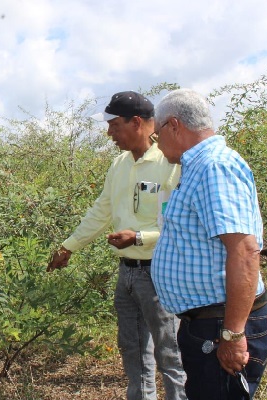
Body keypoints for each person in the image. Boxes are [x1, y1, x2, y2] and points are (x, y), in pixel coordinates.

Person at [47, 91, 187, 400]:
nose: (109, 133)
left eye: (114, 126)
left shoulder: (170, 162)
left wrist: (138, 238)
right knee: (134, 351)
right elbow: (102, 210)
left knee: (171, 354)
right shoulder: (120, 164)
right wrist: (69, 246)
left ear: (136, 122)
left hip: (160, 273)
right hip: (128, 274)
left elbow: (179, 226)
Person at [151, 88, 267, 399]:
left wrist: (232, 334)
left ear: (173, 126)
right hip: (208, 324)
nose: (157, 144)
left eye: (156, 135)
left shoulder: (214, 167)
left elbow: (244, 251)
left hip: (221, 326)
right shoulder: (196, 167)